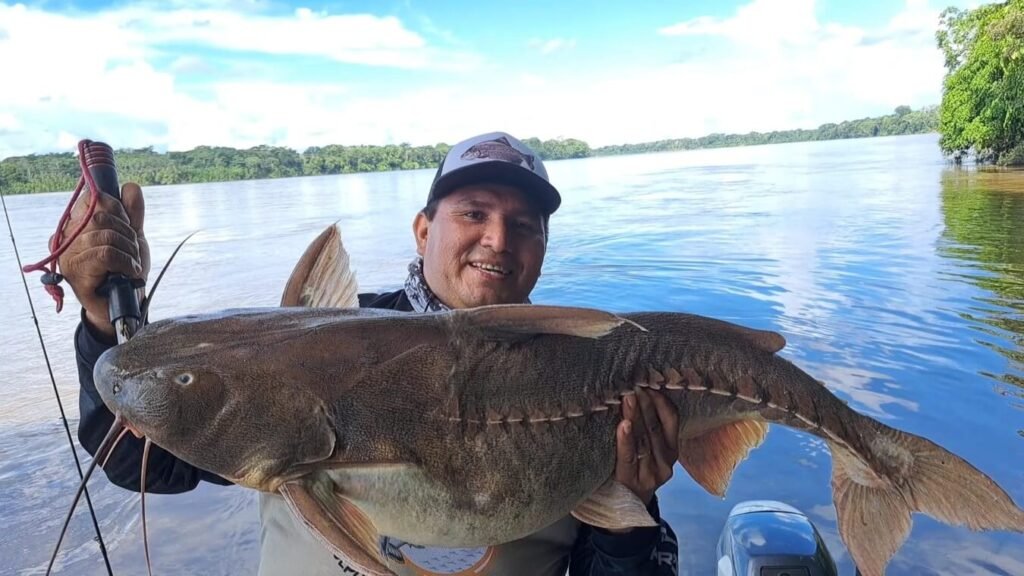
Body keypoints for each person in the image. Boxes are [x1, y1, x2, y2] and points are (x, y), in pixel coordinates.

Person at [62, 131, 681, 575]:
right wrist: (99, 318)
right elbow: (138, 460)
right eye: (474, 212)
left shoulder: (596, 366)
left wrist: (630, 512)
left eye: (525, 225)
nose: (498, 238)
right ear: (422, 229)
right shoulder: (296, 349)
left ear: (543, 248)